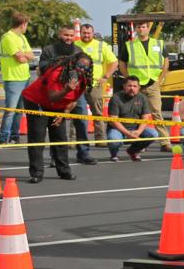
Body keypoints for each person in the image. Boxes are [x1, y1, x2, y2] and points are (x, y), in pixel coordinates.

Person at [20, 52, 93, 183]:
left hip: (58, 106)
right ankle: (37, 172)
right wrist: (66, 90)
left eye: (85, 67)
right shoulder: (57, 72)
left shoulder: (82, 80)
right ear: (73, 63)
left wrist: (63, 114)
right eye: (80, 65)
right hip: (37, 101)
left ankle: (64, 170)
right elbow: (52, 96)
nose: (82, 69)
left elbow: (73, 101)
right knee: (38, 137)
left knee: (60, 138)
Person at [39, 25, 95, 165]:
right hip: (56, 91)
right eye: (66, 35)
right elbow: (43, 68)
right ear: (59, 34)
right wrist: (60, 63)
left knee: (81, 121)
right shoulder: (49, 50)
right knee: (56, 124)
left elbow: (83, 70)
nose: (68, 38)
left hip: (75, 90)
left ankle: (83, 153)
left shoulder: (78, 50)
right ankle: (55, 157)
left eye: (71, 36)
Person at [118, 21, 169, 124]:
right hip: (137, 86)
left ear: (148, 28)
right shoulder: (130, 45)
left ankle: (164, 140)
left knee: (157, 113)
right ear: (136, 29)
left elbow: (166, 62)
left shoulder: (158, 43)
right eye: (139, 27)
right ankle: (135, 137)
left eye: (143, 27)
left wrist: (159, 80)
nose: (141, 29)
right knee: (134, 112)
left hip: (153, 84)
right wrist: (129, 79)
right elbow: (122, 63)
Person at [0, 13, 35, 144]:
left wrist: (24, 55)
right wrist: (25, 56)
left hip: (25, 78)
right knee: (10, 111)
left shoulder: (22, 38)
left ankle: (15, 135)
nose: (26, 28)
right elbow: (19, 58)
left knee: (19, 110)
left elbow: (31, 56)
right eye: (26, 25)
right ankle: (3, 138)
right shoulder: (8, 38)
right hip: (13, 78)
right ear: (23, 24)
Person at [75, 23, 118, 139]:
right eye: (84, 33)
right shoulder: (74, 45)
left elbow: (114, 63)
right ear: (80, 33)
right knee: (78, 113)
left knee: (98, 113)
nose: (86, 35)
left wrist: (105, 77)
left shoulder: (101, 46)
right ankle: (76, 140)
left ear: (93, 34)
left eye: (89, 33)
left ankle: (100, 139)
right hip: (77, 85)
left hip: (95, 84)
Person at [105, 76, 158, 161]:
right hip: (118, 129)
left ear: (139, 87)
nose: (132, 88)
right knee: (113, 139)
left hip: (135, 128)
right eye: (129, 86)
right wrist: (128, 134)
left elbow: (146, 118)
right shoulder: (116, 98)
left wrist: (138, 132)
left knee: (153, 134)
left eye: (135, 86)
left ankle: (133, 151)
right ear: (124, 86)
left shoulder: (142, 98)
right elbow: (113, 120)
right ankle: (114, 154)